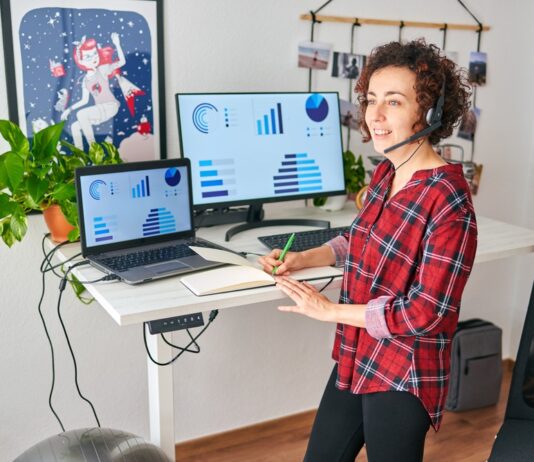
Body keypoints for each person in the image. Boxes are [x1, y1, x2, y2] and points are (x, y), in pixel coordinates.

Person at [259, 39, 477, 462]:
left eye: (393, 102)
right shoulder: (385, 172)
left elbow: (425, 311)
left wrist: (330, 311)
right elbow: (357, 241)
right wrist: (302, 259)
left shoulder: (448, 198)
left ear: (428, 112)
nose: (374, 116)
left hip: (404, 368)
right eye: (371, 99)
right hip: (356, 352)